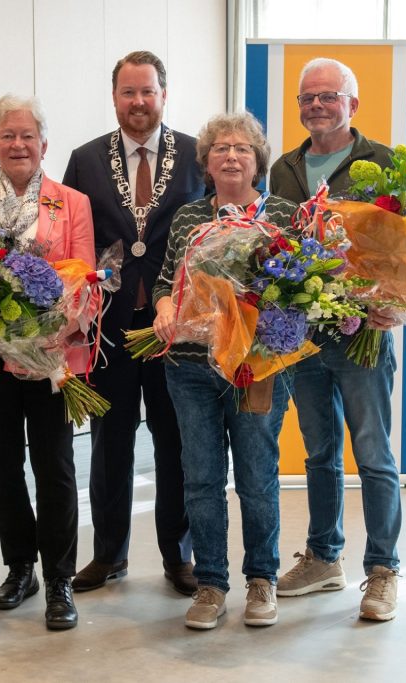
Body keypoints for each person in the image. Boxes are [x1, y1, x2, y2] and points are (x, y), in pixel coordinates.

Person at [0, 94, 95, 631]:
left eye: (27, 135)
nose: (17, 144)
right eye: (7, 135)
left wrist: (57, 327)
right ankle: (19, 568)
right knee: (1, 465)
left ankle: (59, 579)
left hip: (50, 356)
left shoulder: (71, 202)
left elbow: (86, 278)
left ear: (43, 145)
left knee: (55, 467)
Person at [62, 50, 203, 595]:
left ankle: (178, 555)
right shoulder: (85, 160)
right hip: (109, 326)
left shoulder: (196, 155)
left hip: (175, 327)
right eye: (128, 92)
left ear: (164, 95)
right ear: (114, 97)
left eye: (147, 91)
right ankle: (108, 554)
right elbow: (73, 239)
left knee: (175, 443)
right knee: (109, 444)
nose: (138, 101)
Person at [269, 57, 402, 621]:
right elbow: (274, 240)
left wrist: (394, 301)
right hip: (306, 335)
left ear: (353, 104)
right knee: (319, 452)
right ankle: (324, 558)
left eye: (328, 96)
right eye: (307, 97)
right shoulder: (284, 168)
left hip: (363, 332)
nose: (316, 106)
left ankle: (383, 569)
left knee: (373, 454)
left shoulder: (383, 163)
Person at [153, 113, 296, 629]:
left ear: (258, 160)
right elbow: (166, 280)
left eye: (242, 149)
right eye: (220, 149)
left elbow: (302, 290)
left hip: (254, 367)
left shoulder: (283, 215)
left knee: (257, 477)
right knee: (201, 479)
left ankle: (262, 579)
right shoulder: (189, 216)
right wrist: (164, 309)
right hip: (190, 366)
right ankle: (211, 583)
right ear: (206, 162)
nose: (231, 156)